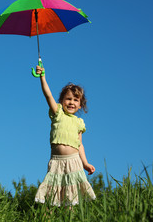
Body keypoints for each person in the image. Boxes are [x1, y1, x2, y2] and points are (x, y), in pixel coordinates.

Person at [34, 65, 96, 207]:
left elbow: (79, 144)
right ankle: (47, 217)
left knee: (72, 195)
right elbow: (47, 94)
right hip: (56, 161)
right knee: (52, 193)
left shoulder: (79, 122)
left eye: (75, 100)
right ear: (61, 101)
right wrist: (42, 77)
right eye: (68, 99)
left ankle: (70, 217)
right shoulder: (58, 112)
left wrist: (85, 163)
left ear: (80, 105)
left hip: (74, 161)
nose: (71, 102)